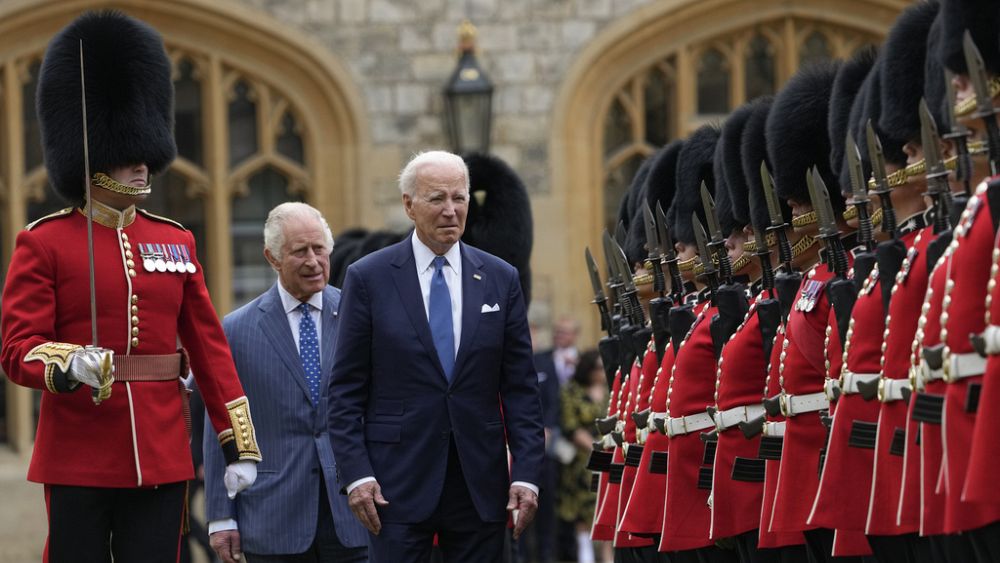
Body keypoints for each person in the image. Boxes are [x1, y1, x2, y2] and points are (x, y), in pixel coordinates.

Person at [0, 11, 261, 562]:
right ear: (93, 159)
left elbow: (210, 350)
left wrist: (237, 439)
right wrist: (67, 363)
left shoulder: (176, 241)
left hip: (163, 449)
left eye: (146, 154)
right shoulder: (44, 242)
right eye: (128, 155)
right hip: (79, 451)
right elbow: (16, 349)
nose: (143, 166)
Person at [328, 150, 545, 561]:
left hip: (480, 485)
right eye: (437, 199)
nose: (451, 210)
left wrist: (528, 476)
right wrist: (356, 475)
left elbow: (520, 388)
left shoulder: (501, 278)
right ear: (408, 205)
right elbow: (344, 390)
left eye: (459, 198)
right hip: (394, 486)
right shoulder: (368, 277)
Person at [203, 202, 368, 562]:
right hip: (273, 517)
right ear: (272, 258)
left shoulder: (361, 314)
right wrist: (220, 516)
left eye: (320, 249)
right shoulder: (236, 330)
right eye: (299, 252)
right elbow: (222, 426)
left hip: (354, 513)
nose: (313, 261)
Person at [558, 350, 611, 563]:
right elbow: (570, 426)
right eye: (597, 368)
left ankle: (608, 557)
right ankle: (585, 557)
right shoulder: (572, 390)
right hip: (583, 460)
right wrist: (596, 448)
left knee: (609, 508)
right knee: (583, 513)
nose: (600, 372)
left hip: (610, 456)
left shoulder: (609, 388)